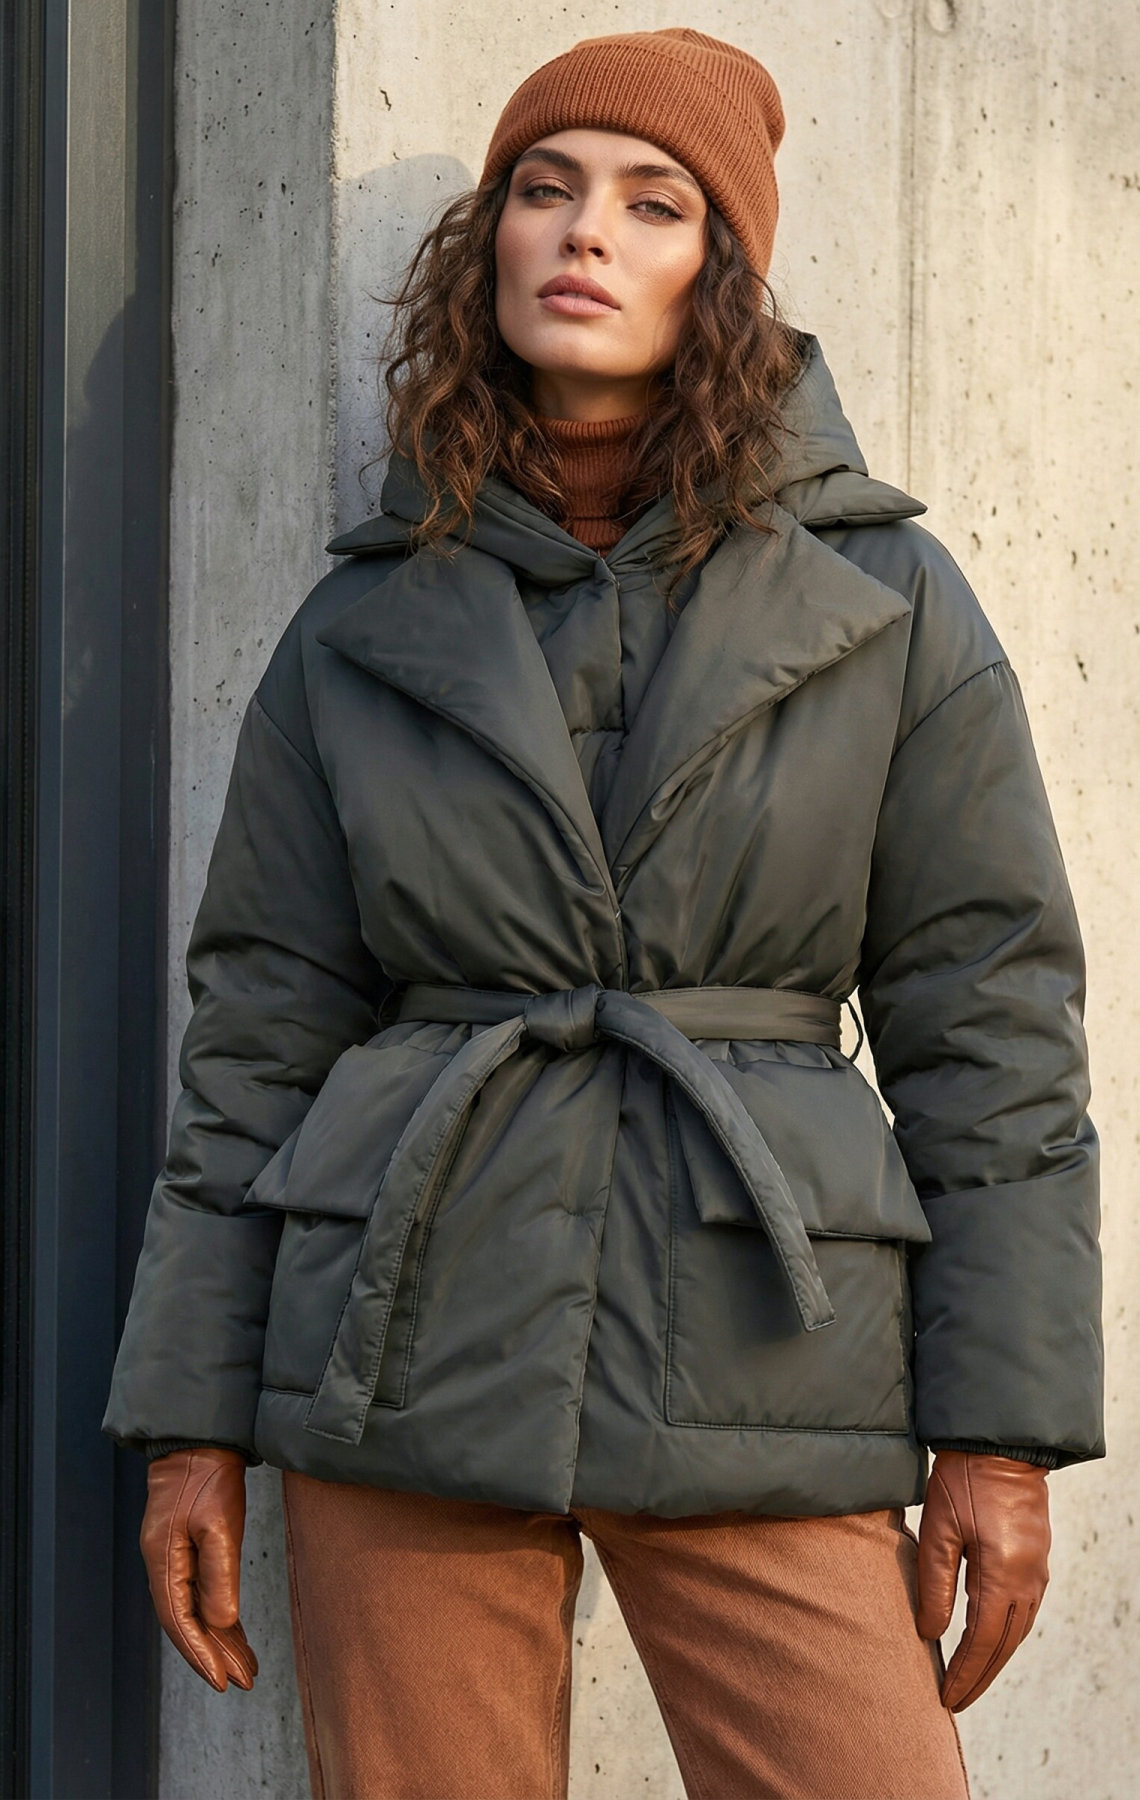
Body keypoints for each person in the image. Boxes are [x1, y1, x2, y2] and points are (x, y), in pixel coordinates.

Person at [104, 28, 1103, 1800]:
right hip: (401, 1342)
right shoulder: (361, 622)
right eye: (545, 189)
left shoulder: (885, 601)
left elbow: (992, 1030)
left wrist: (1003, 1438)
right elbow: (259, 1028)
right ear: (488, 241)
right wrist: (191, 1419)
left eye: (654, 204)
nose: (585, 231)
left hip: (764, 1342)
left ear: (721, 268)